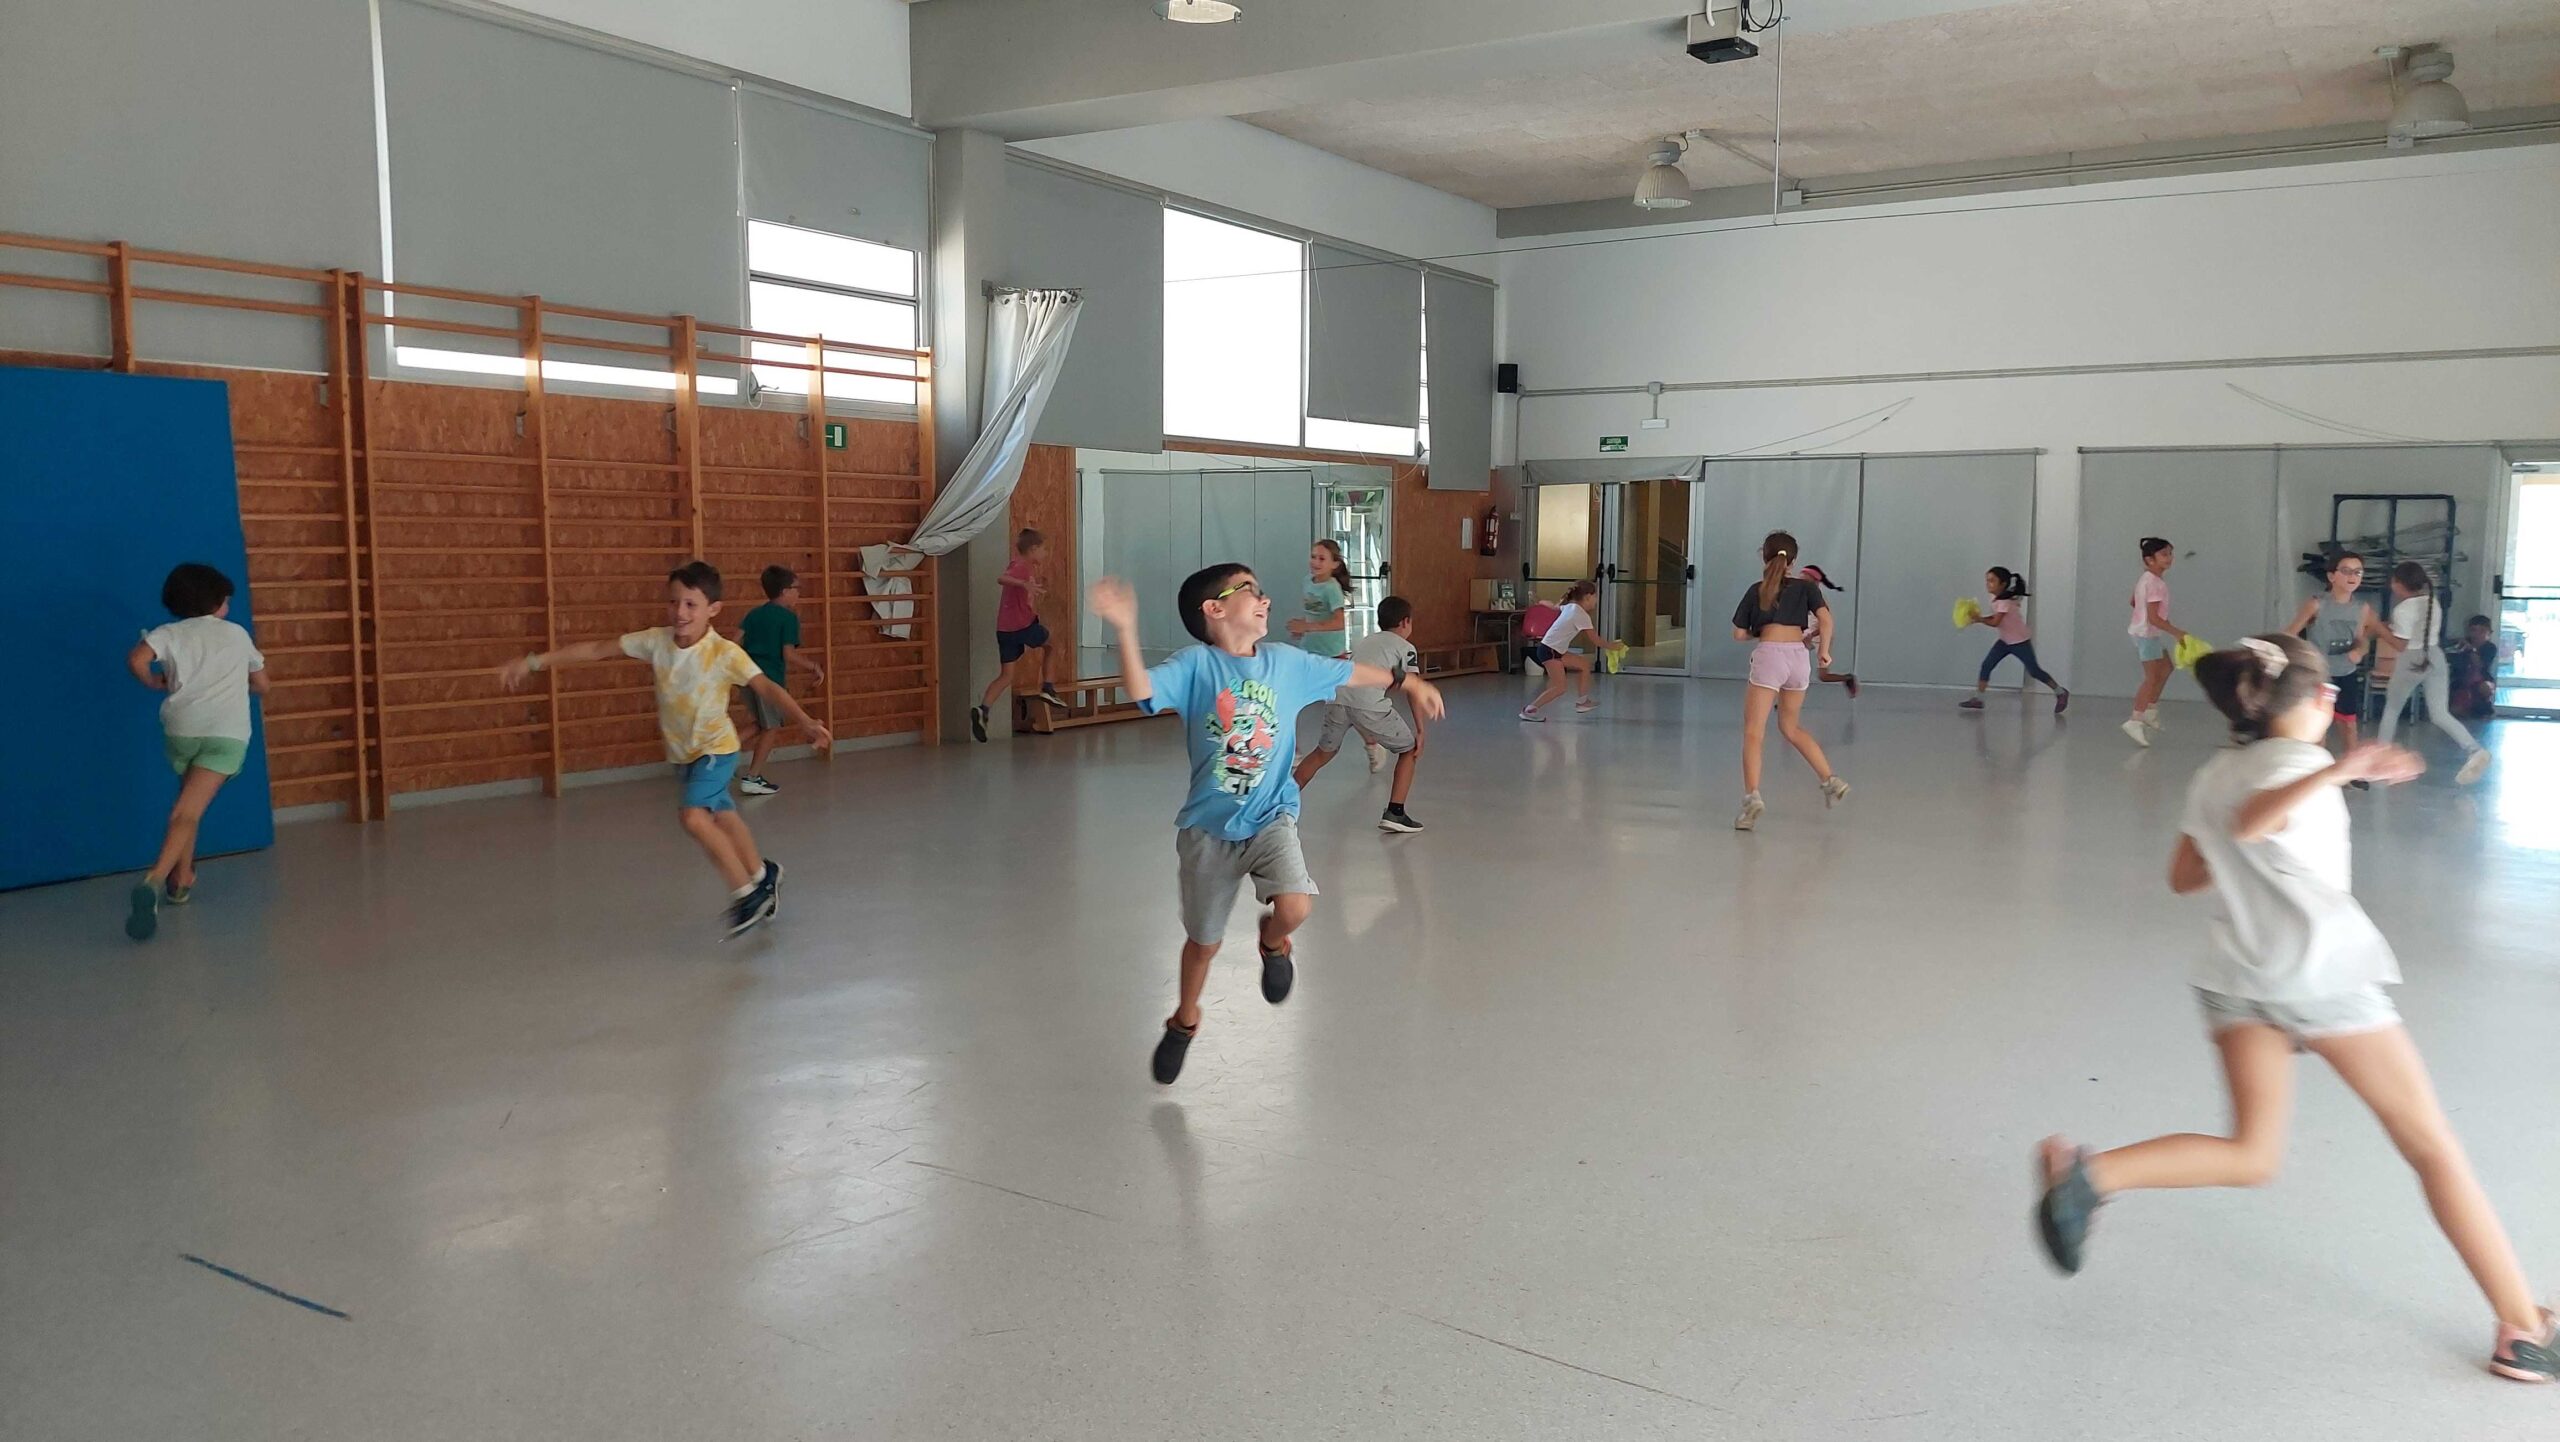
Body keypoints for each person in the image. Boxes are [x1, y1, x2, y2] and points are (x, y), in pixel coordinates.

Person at [2032, 633, 2556, 1384]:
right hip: (2320, 977)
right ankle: (2523, 1330)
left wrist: (2256, 844)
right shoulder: (2304, 764)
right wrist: (2339, 769)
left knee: (2253, 1154)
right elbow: (2253, 823)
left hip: (2238, 978)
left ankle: (2090, 1177)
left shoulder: (2218, 769)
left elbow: (2185, 875)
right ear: (2318, 698)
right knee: (2432, 1147)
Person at [1088, 564, 1444, 1085]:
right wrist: (1123, 627)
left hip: (1272, 816)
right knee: (1203, 944)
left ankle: (1272, 941)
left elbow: (1348, 673)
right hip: (1208, 831)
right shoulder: (1196, 666)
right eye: (1250, 591)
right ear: (1214, 609)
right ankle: (1184, 1019)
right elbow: (1141, 690)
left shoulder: (1285, 662)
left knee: (1296, 905)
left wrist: (1407, 680)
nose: (1265, 599)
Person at [500, 561, 831, 939]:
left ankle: (747, 893)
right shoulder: (656, 641)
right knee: (723, 816)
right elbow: (595, 649)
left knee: (693, 816)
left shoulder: (723, 653)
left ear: (713, 609)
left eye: (691, 604)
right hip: (683, 755)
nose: (680, 612)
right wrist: (533, 662)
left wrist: (805, 721)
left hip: (717, 750)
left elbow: (768, 688)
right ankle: (762, 873)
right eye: (673, 602)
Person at [122, 563, 268, 941]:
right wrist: (238, 684)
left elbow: (136, 660)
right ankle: (153, 881)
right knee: (186, 812)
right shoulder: (236, 634)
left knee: (188, 805)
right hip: (224, 734)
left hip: (182, 731)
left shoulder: (168, 633)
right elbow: (262, 684)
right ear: (217, 602)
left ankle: (181, 879)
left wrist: (154, 681)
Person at [1731, 531, 1849, 831]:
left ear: (1764, 556)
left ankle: (1752, 798)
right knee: (1791, 727)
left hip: (1769, 656)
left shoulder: (1756, 590)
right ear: (1793, 562)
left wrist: (1760, 631)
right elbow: (1826, 620)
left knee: (1754, 732)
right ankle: (1830, 780)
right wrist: (1823, 652)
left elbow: (1739, 634)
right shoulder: (1806, 587)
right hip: (1798, 659)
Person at [1292, 594, 1427, 833]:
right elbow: (1414, 689)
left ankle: (1276, 807)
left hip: (1337, 698)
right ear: (1406, 622)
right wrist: (1420, 728)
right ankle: (1396, 813)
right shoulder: (1406, 647)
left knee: (1322, 753)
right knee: (1409, 750)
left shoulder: (1366, 640)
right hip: (1368, 703)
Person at [2370, 561, 2491, 785]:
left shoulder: (2402, 609)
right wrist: (2387, 626)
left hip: (2411, 659)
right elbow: (2414, 630)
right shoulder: (2432, 602)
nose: (2392, 585)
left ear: (2399, 584)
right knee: (2440, 713)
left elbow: (2400, 645)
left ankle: (2380, 761)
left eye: (2393, 581)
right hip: (2435, 656)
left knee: (2392, 709)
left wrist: (2376, 626)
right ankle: (2474, 749)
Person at [735, 565, 823, 795]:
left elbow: (734, 643)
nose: (799, 593)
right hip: (769, 681)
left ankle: (720, 750)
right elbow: (788, 654)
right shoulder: (788, 618)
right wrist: (813, 666)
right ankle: (752, 777)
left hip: (746, 677)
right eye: (797, 588)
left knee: (762, 723)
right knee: (771, 727)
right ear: (784, 591)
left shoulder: (754, 614)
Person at [972, 528, 1066, 742]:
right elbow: (1001, 579)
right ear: (1033, 549)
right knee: (1052, 645)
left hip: (1005, 630)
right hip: (1021, 625)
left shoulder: (1019, 564)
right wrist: (1023, 584)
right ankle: (1048, 688)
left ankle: (983, 710)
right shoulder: (1021, 566)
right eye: (1043, 549)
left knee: (1006, 676)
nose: (1045, 553)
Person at [2285, 551, 2377, 758]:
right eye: (2346, 571)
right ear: (2332, 576)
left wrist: (2360, 650)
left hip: (2346, 672)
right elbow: (2290, 633)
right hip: (2320, 674)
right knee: (2319, 726)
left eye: (2358, 572)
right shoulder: (2317, 604)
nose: (2352, 576)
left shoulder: (2361, 608)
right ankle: (2318, 766)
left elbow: (2360, 638)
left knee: (2349, 725)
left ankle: (2351, 769)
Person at [1962, 566, 2068, 713]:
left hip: (2019, 641)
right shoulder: (1995, 598)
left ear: (2003, 584)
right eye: (1987, 580)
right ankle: (1978, 699)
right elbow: (1996, 618)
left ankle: (2060, 692)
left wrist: (1979, 619)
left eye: (1992, 581)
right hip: (2005, 641)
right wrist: (1978, 618)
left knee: (2034, 671)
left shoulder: (2005, 602)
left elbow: (1995, 622)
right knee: (1986, 665)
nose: (1988, 584)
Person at [2124, 537, 2190, 747]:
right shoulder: (2155, 584)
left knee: (2166, 667)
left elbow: (2133, 601)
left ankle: (2150, 710)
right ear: (2149, 560)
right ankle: (2136, 719)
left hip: (2146, 632)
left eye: (2170, 553)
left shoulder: (2146, 579)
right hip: (2146, 634)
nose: (2169, 558)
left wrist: (2148, 616)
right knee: (2151, 678)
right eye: (2164, 554)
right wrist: (2177, 633)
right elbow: (2153, 618)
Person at [1521, 580, 1608, 721]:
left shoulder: (1570, 607)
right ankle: (1530, 710)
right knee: (1560, 687)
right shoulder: (1580, 614)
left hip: (1553, 650)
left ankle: (1582, 702)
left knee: (1584, 665)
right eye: (1595, 596)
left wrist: (1539, 601)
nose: (1596, 600)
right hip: (1550, 651)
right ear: (1587, 596)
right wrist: (1613, 646)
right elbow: (1595, 640)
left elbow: (1553, 606)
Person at [1796, 564, 1859, 697]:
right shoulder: (1801, 596)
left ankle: (1847, 678)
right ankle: (1786, 697)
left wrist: (1811, 634)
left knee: (1823, 676)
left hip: (1821, 636)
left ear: (1814, 582)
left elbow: (1825, 623)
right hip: (1807, 635)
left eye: (1804, 579)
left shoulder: (1819, 599)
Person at [1287, 539, 1352, 661]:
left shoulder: (1332, 588)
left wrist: (1308, 627)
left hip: (1330, 652)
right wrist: (1301, 627)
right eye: (1313, 557)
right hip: (1309, 649)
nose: (1316, 562)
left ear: (1334, 564)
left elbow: (1339, 622)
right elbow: (1314, 611)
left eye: (1322, 559)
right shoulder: (1307, 581)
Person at [2448, 614, 2501, 720]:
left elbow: (2480, 665)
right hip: (2461, 681)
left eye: (2482, 631)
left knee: (2486, 687)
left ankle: (2482, 705)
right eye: (2474, 630)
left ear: (2489, 633)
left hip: (2481, 680)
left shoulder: (2490, 647)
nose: (2477, 634)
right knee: (2454, 710)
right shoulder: (2461, 644)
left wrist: (2471, 650)